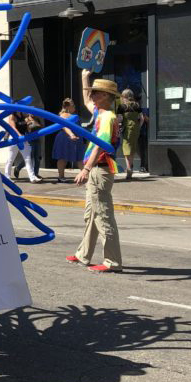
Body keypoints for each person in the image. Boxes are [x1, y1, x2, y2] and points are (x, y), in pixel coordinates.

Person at [67, 70, 122, 273]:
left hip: (100, 170)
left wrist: (86, 169)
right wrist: (84, 77)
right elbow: (86, 101)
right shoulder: (100, 112)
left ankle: (112, 262)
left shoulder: (108, 117)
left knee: (103, 216)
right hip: (96, 170)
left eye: (97, 93)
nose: (92, 96)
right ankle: (84, 254)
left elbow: (100, 145)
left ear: (106, 96)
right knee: (91, 215)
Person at [52, 98, 85, 183]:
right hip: (65, 138)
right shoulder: (63, 115)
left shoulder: (73, 115)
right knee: (63, 157)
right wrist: (71, 134)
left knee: (80, 157)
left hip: (76, 138)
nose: (75, 106)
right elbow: (64, 126)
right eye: (73, 105)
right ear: (68, 107)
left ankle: (85, 175)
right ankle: (61, 176)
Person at [4, 112, 42, 183]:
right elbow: (13, 127)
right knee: (11, 159)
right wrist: (19, 135)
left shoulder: (23, 115)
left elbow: (28, 127)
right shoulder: (12, 115)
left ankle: (32, 177)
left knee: (28, 158)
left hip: (23, 138)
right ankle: (7, 177)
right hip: (14, 139)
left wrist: (30, 121)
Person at [118, 89, 143, 180]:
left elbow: (120, 119)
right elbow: (142, 118)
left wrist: (118, 127)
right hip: (135, 128)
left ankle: (128, 168)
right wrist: (138, 126)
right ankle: (130, 167)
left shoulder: (122, 106)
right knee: (132, 147)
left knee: (126, 147)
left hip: (126, 129)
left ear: (123, 96)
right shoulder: (137, 105)